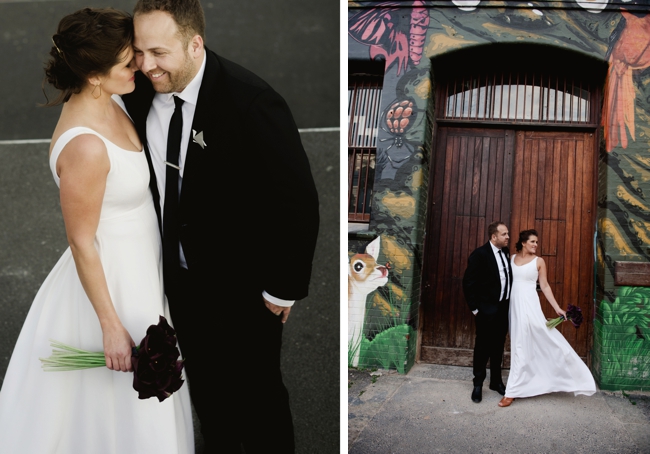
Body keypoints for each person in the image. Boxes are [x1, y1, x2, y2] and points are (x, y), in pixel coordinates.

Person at [120, 1, 319, 452]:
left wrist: (282, 288)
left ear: (195, 43)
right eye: (138, 52)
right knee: (207, 394)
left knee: (258, 399)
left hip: (243, 290)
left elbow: (296, 198)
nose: (147, 66)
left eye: (159, 53)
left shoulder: (250, 101)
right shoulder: (137, 91)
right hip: (177, 283)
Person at [0, 8, 194, 453]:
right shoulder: (86, 147)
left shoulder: (112, 97)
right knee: (115, 414)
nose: (139, 67)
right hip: (115, 286)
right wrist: (110, 326)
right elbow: (81, 240)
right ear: (93, 74)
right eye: (128, 62)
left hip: (142, 271)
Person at [497, 229, 596, 407]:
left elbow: (544, 286)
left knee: (544, 337)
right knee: (519, 344)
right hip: (514, 307)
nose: (536, 245)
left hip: (530, 306)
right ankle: (517, 388)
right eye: (533, 241)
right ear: (524, 243)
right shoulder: (511, 258)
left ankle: (573, 373)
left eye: (536, 242)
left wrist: (557, 307)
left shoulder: (539, 261)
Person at [462, 221, 512, 403]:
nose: (508, 237)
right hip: (486, 311)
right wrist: (475, 309)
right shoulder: (480, 254)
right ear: (494, 237)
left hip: (502, 310)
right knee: (482, 348)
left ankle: (496, 382)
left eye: (507, 234)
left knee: (498, 347)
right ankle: (478, 384)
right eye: (504, 234)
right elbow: (468, 283)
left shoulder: (505, 252)